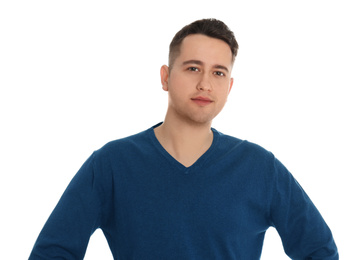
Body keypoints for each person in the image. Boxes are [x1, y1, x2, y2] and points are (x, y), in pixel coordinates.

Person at [29, 18, 338, 259]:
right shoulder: (112, 164)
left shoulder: (260, 168)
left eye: (218, 73)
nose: (205, 83)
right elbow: (52, 253)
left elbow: (320, 250)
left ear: (229, 87)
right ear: (165, 77)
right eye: (193, 68)